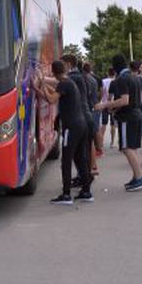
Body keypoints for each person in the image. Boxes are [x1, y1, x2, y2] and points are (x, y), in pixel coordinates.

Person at [38, 59, 93, 205]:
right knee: (81, 158)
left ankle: (66, 194)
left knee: (66, 159)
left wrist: (42, 84)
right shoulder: (69, 82)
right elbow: (53, 95)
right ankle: (86, 192)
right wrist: (38, 89)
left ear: (53, 72)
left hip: (72, 126)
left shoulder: (63, 83)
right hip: (81, 125)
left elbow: (50, 99)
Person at [98, 56, 142, 192]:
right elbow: (140, 98)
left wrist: (106, 105)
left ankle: (139, 178)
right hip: (137, 113)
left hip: (128, 117)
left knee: (126, 147)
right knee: (132, 147)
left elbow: (124, 100)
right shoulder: (136, 78)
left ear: (115, 67)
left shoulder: (121, 79)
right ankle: (135, 177)